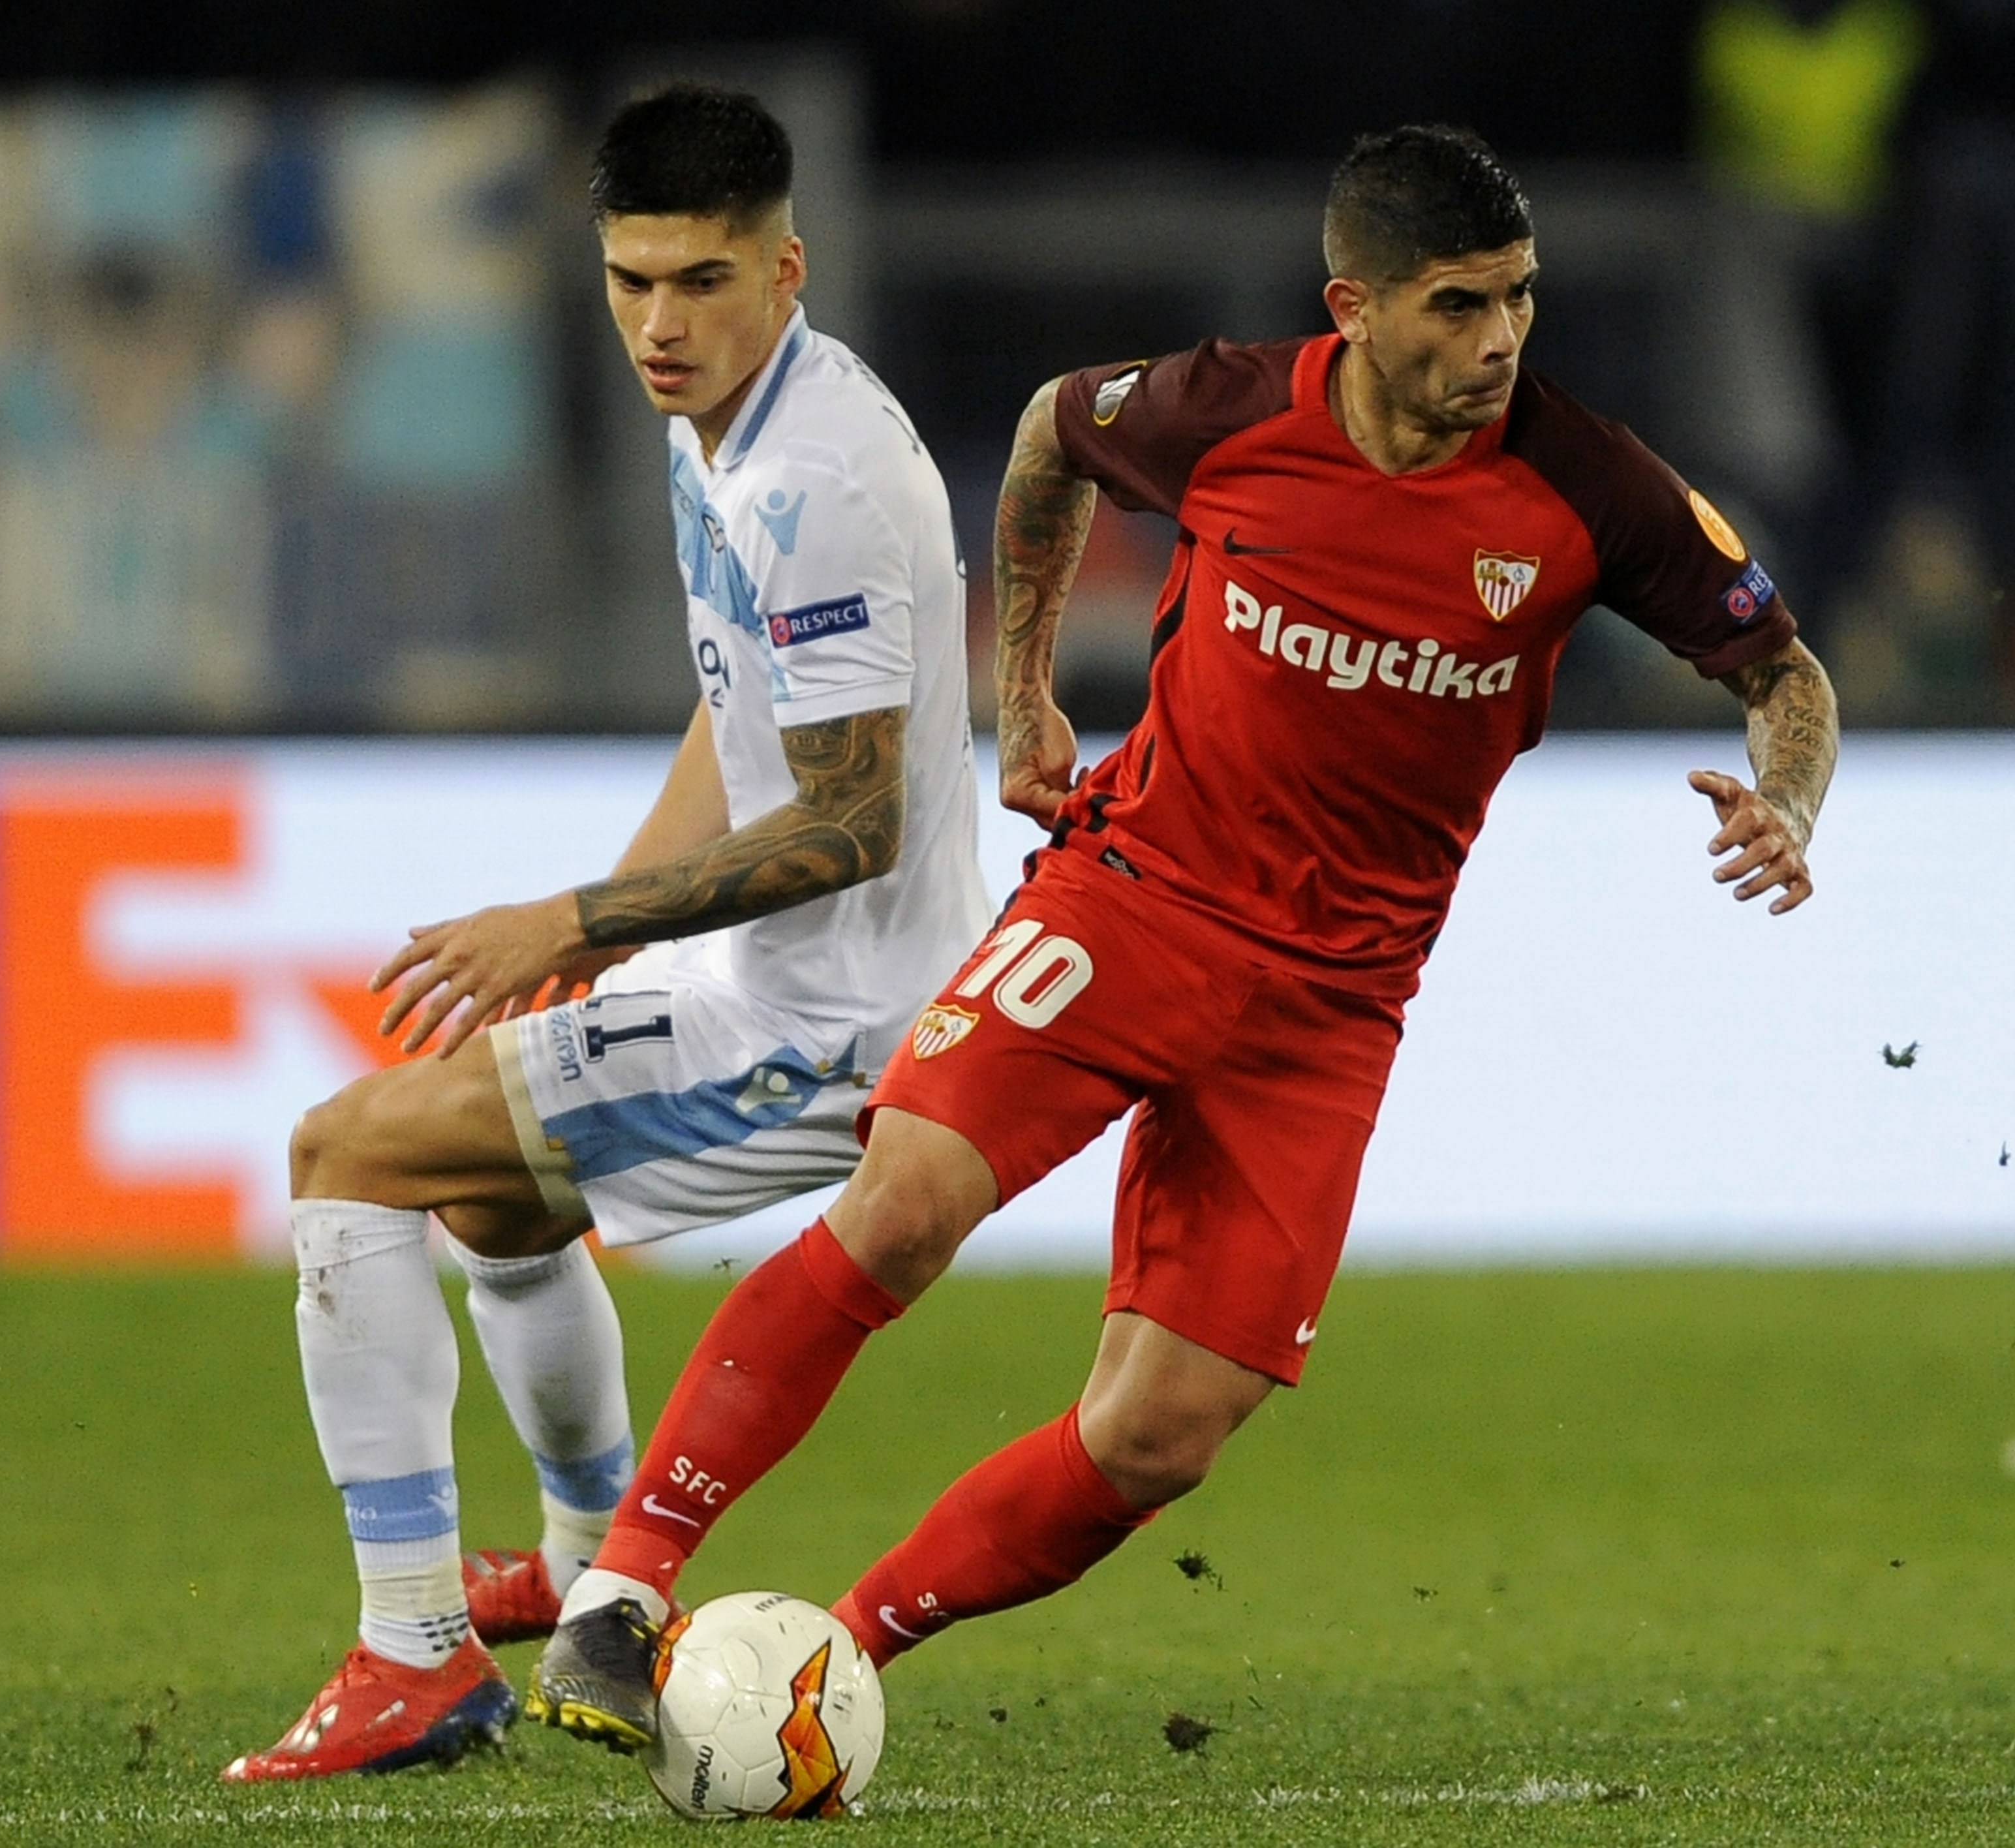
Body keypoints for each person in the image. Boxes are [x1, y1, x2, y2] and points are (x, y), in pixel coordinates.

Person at [529, 124, 1842, 1748]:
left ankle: (835, 1658)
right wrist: (1021, 701)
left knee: (1160, 1434)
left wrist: (1788, 802)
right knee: (908, 1201)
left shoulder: (1589, 488)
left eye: (1517, 299)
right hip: (1134, 898)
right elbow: (1046, 434)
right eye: (1454, 306)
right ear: (1348, 307)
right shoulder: (1222, 412)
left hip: (1331, 1012)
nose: (1497, 342)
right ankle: (624, 1592)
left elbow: (1784, 671)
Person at [222, 84, 989, 1781]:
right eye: (632, 279)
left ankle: (411, 1653)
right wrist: (605, 938)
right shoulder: (715, 422)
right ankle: (581, 1569)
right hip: (768, 977)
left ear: (788, 270)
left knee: (345, 1149)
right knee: (493, 1190)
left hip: (839, 1022)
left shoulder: (815, 479)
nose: (661, 321)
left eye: (703, 281)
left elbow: (853, 821)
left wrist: (569, 916)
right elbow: (745, 717)